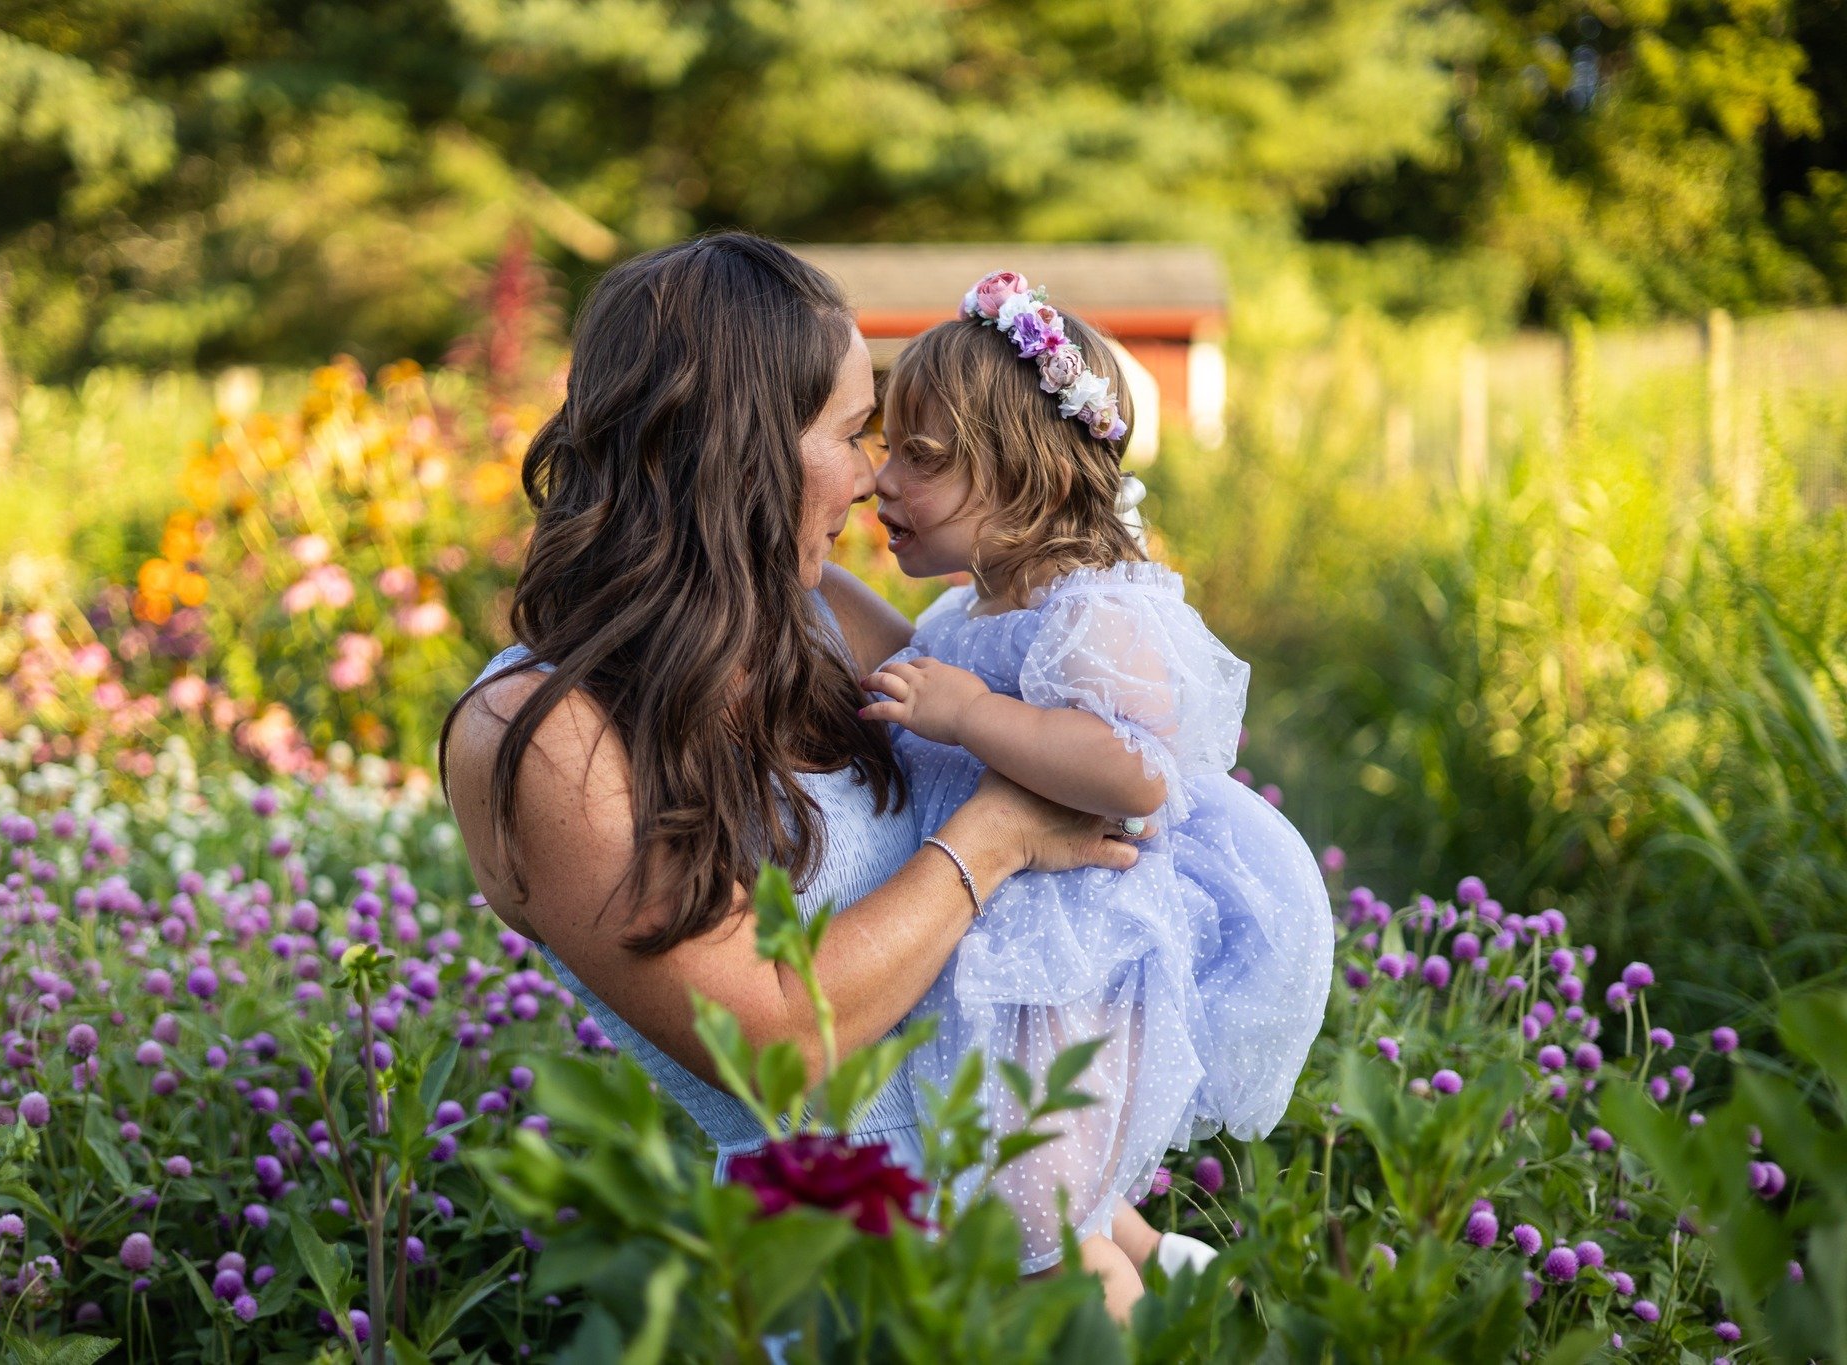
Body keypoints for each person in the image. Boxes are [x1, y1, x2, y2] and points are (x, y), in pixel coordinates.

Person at [436, 236, 1147, 1210]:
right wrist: (995, 838)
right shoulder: (543, 731)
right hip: (833, 1246)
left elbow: (1073, 764)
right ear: (739, 444)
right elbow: (765, 1039)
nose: (869, 479)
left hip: (1029, 1190)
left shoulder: (823, 617)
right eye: (853, 433)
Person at [858, 270, 1336, 1321]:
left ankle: (1122, 1320)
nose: (879, 481)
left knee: (1038, 1231)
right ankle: (1161, 1268)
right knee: (1039, 1191)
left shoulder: (1093, 610)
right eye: (883, 449)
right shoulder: (967, 615)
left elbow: (1133, 768)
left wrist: (971, 717)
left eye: (918, 460)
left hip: (1074, 962)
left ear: (1022, 474)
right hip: (1018, 956)